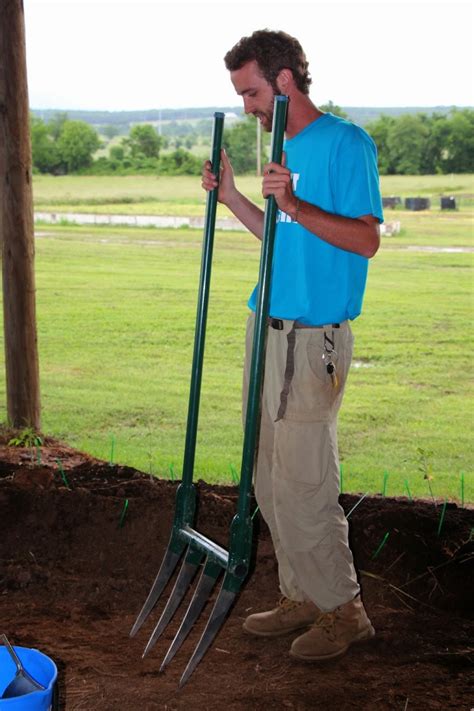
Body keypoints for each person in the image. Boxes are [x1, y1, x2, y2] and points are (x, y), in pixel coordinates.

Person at [202, 29, 383, 662]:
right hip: (267, 328)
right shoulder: (280, 146)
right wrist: (232, 198)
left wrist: (297, 203)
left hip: (314, 341)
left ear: (283, 82)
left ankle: (343, 610)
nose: (247, 105)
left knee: (306, 480)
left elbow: (365, 241)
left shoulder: (345, 144)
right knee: (267, 478)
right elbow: (279, 236)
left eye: (251, 91)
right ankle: (299, 593)